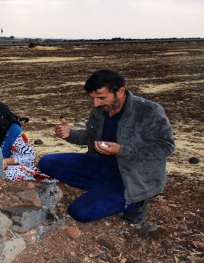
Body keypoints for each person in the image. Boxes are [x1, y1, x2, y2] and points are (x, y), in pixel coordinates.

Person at [38, 69, 175, 224]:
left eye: (101, 98)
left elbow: (165, 147)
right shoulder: (101, 110)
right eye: (93, 98)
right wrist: (70, 134)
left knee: (78, 212)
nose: (96, 103)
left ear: (120, 91)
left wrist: (121, 150)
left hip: (131, 177)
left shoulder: (149, 111)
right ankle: (101, 191)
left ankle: (136, 202)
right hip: (101, 165)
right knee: (46, 163)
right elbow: (90, 137)